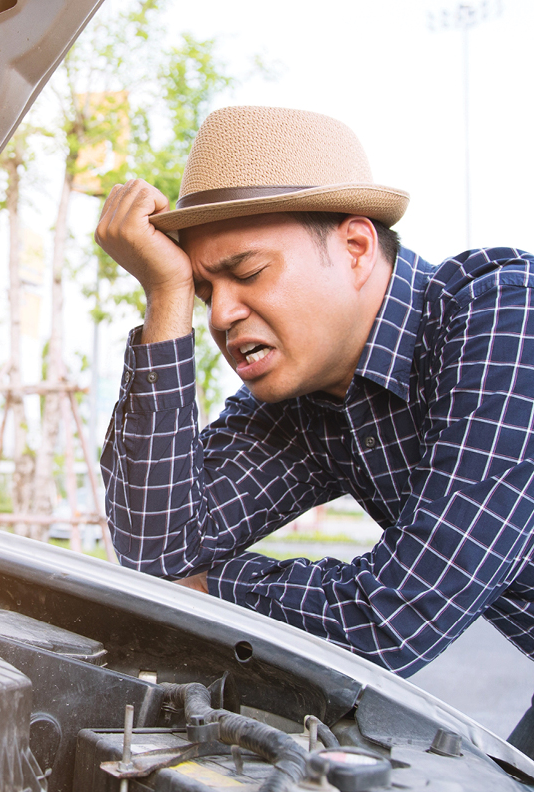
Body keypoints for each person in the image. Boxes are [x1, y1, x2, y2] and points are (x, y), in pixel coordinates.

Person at [95, 106, 534, 753]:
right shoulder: (303, 403)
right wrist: (165, 294)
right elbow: (159, 555)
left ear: (356, 248)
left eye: (246, 273)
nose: (222, 315)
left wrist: (220, 588)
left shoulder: (505, 316)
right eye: (205, 288)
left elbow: (395, 616)